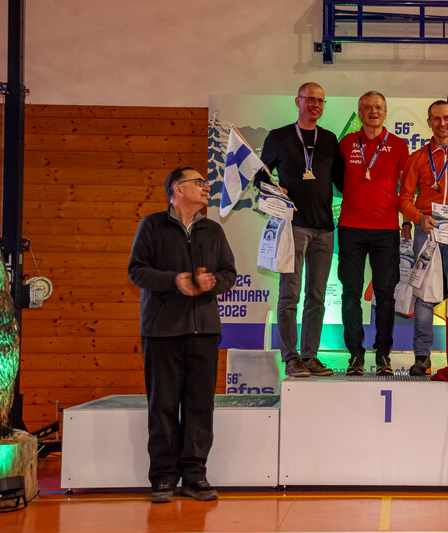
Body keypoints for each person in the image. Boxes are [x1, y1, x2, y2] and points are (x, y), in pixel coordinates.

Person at [128, 167, 236, 503]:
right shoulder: (152, 226)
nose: (206, 187)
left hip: (204, 330)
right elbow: (137, 271)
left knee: (200, 406)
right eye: (199, 182)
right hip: (162, 331)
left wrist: (211, 283)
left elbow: (229, 272)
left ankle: (194, 475)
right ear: (177, 189)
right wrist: (175, 280)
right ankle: (162, 477)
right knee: (162, 406)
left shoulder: (213, 230)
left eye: (206, 183)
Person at [255, 82, 344, 377]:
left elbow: (343, 182)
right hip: (292, 226)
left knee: (317, 297)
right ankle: (291, 357)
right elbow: (260, 177)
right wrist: (273, 188)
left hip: (325, 229)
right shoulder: (279, 137)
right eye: (310, 99)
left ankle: (310, 356)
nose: (315, 104)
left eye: (320, 100)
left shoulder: (329, 139)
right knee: (289, 295)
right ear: (298, 101)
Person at [399, 100, 448, 376]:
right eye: (436, 118)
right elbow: (404, 199)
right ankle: (422, 356)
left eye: (447, 118)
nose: (442, 123)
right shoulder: (417, 157)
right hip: (428, 231)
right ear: (429, 122)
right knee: (424, 296)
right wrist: (418, 218)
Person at [338, 91, 409, 375]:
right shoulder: (346, 143)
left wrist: (407, 221)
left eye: (378, 107)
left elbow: (406, 188)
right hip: (351, 228)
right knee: (351, 292)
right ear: (360, 113)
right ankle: (355, 354)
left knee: (385, 295)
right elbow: (337, 179)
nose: (373, 111)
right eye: (367, 107)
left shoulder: (399, 145)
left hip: (386, 230)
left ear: (385, 112)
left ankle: (383, 355)